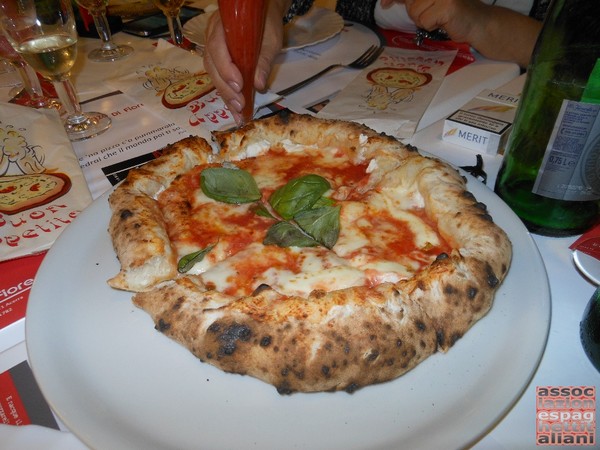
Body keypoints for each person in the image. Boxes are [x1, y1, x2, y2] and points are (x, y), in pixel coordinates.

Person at [203, 0, 546, 125]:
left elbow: (582, 51)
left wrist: (479, 21)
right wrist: (262, 11)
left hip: (498, 97)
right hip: (344, 78)